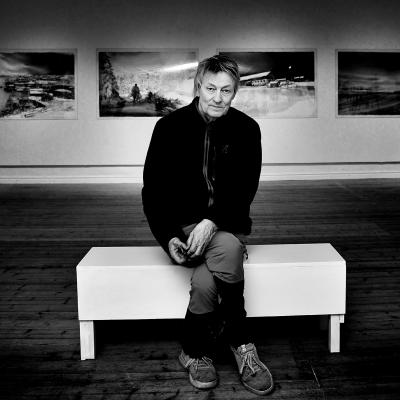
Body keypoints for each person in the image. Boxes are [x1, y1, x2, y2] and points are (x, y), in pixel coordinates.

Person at [142, 55, 273, 395]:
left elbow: (245, 189)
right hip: (184, 227)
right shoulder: (169, 127)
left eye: (226, 90)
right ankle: (242, 345)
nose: (218, 97)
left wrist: (212, 222)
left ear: (235, 91)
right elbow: (153, 192)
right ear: (198, 86)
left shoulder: (247, 129)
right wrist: (169, 237)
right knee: (225, 254)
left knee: (210, 273)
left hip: (229, 224)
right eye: (211, 88)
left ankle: (195, 351)